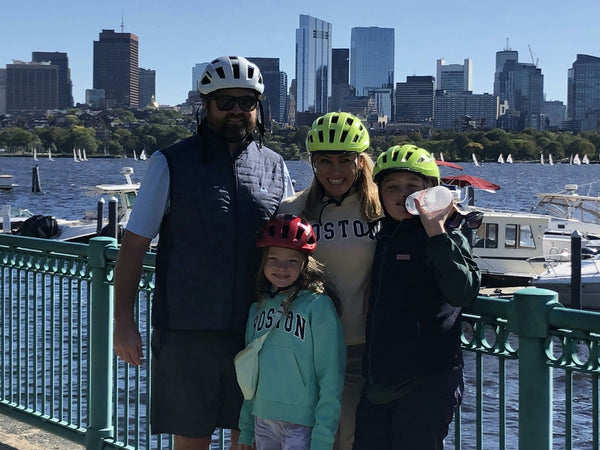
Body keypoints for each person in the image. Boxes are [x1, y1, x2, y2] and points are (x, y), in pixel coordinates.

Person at [113, 55, 294, 450]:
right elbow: (133, 245)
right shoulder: (170, 163)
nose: (236, 111)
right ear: (205, 103)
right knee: (192, 440)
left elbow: (290, 245)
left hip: (255, 329)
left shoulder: (276, 166)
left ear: (258, 107)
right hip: (186, 328)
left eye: (246, 102)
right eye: (224, 101)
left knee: (248, 437)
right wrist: (123, 322)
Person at [353, 144, 481, 450]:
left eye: (412, 187)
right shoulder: (381, 232)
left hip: (427, 379)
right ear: (379, 192)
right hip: (379, 380)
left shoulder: (447, 235)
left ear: (430, 191)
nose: (401, 194)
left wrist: (436, 232)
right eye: (392, 187)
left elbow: (464, 291)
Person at [277, 112, 381, 450]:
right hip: (302, 346)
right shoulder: (291, 209)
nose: (335, 171)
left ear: (361, 161)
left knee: (342, 434)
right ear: (312, 163)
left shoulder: (381, 209)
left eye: (345, 161)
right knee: (298, 437)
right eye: (325, 161)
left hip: (358, 346)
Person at [237, 214, 345, 450]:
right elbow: (249, 375)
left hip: (302, 423)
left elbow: (331, 377)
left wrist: (323, 438)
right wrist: (245, 429)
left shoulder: (318, 306)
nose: (281, 268)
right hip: (262, 418)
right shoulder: (257, 308)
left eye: (292, 261)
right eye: (273, 259)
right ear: (263, 262)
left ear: (306, 264)